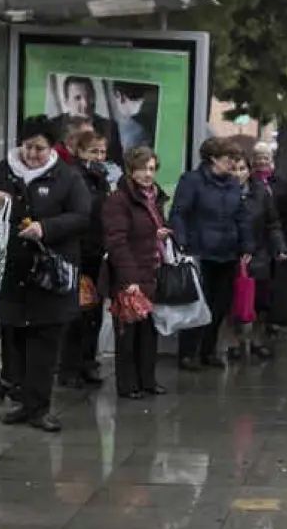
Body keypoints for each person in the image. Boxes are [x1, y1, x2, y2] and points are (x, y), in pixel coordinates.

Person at [0, 116, 92, 431]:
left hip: (49, 275)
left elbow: (82, 215)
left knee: (45, 343)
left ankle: (39, 406)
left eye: (39, 148)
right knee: (16, 340)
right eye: (28, 147)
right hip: (13, 274)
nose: (32, 155)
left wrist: (46, 228)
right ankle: (22, 401)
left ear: (50, 148)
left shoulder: (66, 177)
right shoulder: (2, 171)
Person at [168, 136, 252, 369]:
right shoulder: (192, 181)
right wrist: (182, 242)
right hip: (200, 251)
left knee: (220, 304)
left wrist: (246, 245)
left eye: (235, 160)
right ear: (213, 158)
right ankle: (188, 352)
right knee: (197, 303)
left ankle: (208, 349)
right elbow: (179, 213)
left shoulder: (233, 184)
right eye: (228, 159)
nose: (233, 165)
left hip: (227, 252)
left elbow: (242, 217)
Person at [101, 146, 171, 399]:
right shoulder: (119, 200)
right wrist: (129, 279)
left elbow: (149, 229)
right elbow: (117, 241)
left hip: (151, 270)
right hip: (129, 274)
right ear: (131, 170)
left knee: (148, 331)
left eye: (151, 169)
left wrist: (159, 234)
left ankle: (147, 380)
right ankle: (128, 384)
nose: (147, 174)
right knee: (127, 332)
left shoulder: (154, 197)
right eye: (142, 168)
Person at [59, 127, 113, 388]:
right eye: (94, 151)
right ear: (80, 151)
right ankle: (70, 367)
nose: (100, 156)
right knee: (78, 312)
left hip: (96, 251)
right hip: (78, 251)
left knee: (94, 312)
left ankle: (88, 362)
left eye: (103, 151)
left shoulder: (101, 177)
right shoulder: (73, 176)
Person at [233, 155, 287, 361]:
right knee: (233, 302)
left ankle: (255, 340)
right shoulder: (224, 194)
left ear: (249, 171)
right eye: (234, 169)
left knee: (258, 302)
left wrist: (280, 247)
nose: (238, 174)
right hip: (232, 256)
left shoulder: (261, 193)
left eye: (242, 169)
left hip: (258, 255)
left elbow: (272, 223)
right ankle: (235, 342)